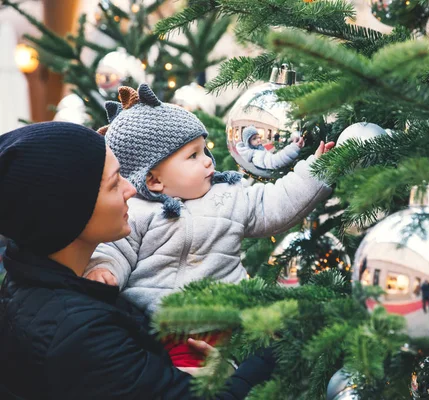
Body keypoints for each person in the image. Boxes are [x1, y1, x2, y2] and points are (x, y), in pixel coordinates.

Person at [0, 122, 275, 399]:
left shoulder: (33, 279)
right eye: (114, 182)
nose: (131, 189)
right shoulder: (82, 333)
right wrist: (263, 356)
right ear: (71, 208)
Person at [84, 84, 334, 369]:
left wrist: (317, 172)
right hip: (164, 335)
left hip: (233, 328)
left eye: (204, 150)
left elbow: (274, 203)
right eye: (193, 156)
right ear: (153, 180)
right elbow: (116, 249)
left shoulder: (228, 195)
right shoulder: (138, 212)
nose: (207, 162)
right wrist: (104, 269)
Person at [235, 125, 304, 170]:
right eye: (254, 138)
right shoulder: (256, 155)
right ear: (248, 143)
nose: (258, 140)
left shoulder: (259, 148)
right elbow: (273, 161)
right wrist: (293, 148)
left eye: (258, 137)